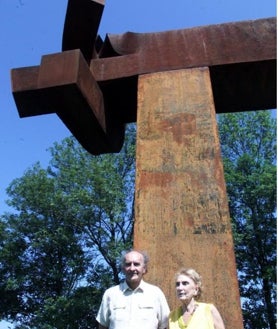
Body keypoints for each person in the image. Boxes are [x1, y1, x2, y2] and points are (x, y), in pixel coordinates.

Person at [96, 249, 170, 329]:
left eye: (136, 264)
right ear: (123, 269)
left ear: (144, 269)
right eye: (128, 264)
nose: (132, 268)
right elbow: (102, 326)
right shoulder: (110, 294)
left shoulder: (156, 293)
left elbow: (165, 325)